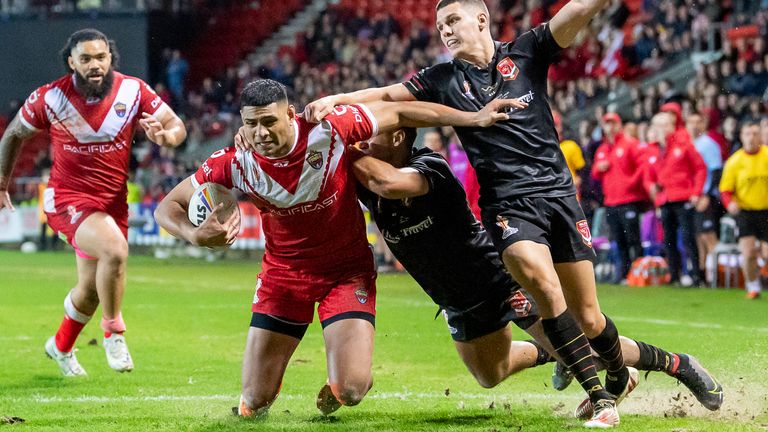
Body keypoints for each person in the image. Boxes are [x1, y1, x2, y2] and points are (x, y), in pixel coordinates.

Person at [304, 0, 633, 427]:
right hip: (501, 216)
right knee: (490, 372)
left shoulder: (526, 52)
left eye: (453, 20)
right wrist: (337, 99)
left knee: (583, 315)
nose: (445, 30)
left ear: (482, 19)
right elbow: (387, 96)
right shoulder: (442, 79)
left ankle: (636, 375)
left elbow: (575, 15)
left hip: (544, 206)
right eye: (440, 25)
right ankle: (585, 368)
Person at [154, 79, 523, 418]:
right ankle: (263, 397)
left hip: (346, 274)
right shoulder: (235, 163)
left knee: (351, 389)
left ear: (290, 113)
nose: (260, 133)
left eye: (269, 121)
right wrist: (194, 234)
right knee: (254, 400)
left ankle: (351, 377)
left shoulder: (329, 129)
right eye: (251, 124)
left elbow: (400, 111)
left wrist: (471, 119)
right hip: (283, 278)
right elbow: (167, 207)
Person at [346, 126, 722, 414]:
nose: (362, 144)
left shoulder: (430, 167)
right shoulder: (369, 182)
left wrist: (340, 148)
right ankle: (554, 355)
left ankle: (679, 364)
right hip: (456, 299)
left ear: (398, 137)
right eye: (358, 141)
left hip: (495, 276)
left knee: (582, 344)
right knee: (489, 375)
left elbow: (387, 181)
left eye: (368, 138)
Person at [0, 29, 187, 377]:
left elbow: (175, 125)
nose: (95, 65)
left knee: (91, 292)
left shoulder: (133, 91)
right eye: (85, 59)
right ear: (71, 62)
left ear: (110, 58)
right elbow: (13, 133)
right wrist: (1, 183)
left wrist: (167, 137)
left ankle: (60, 346)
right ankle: (113, 332)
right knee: (114, 251)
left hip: (112, 203)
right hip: (67, 200)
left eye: (100, 57)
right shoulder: (51, 98)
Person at [643, 112, 707, 286]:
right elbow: (648, 176)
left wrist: (696, 192)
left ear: (672, 126)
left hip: (683, 196)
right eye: (658, 126)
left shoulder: (683, 144)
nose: (661, 129)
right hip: (664, 199)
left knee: (688, 237)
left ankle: (696, 276)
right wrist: (651, 187)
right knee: (668, 239)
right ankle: (674, 275)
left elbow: (700, 168)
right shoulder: (652, 149)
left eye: (664, 125)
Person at [591, 113, 647, 284]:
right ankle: (624, 274)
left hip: (629, 199)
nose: (610, 127)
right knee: (619, 240)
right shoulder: (603, 149)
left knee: (633, 239)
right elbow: (594, 173)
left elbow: (642, 165)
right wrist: (599, 168)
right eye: (607, 124)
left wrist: (631, 182)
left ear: (619, 124)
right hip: (611, 201)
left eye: (613, 123)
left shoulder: (630, 144)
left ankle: (638, 273)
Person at [719, 122, 768, 299]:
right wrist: (729, 203)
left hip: (766, 211)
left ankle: (761, 269)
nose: (751, 138)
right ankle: (753, 286)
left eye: (755, 134)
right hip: (746, 212)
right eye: (748, 134)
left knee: (766, 252)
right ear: (741, 136)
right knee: (747, 253)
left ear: (760, 136)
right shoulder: (735, 161)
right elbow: (725, 190)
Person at [686, 111, 723, 284]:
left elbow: (716, 171)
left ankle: (718, 274)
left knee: (708, 236)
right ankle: (703, 275)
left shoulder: (708, 144)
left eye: (697, 123)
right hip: (693, 196)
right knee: (698, 237)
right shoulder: (688, 144)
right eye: (690, 122)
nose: (694, 126)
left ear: (703, 125)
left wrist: (707, 195)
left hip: (706, 197)